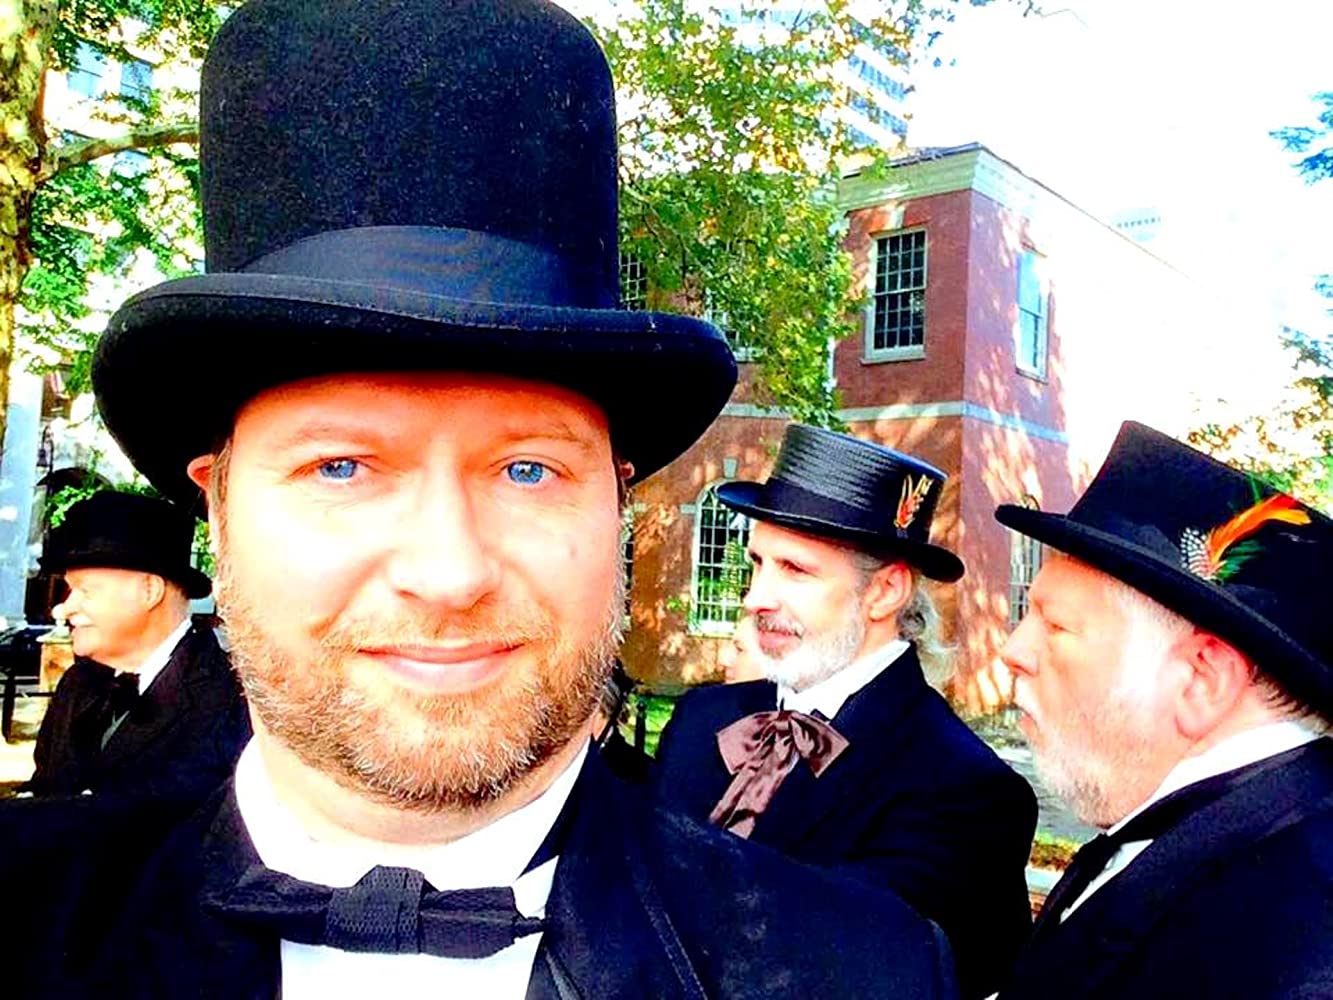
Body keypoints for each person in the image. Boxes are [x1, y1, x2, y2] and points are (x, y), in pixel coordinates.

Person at [0, 2, 959, 997]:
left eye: (526, 470)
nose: (449, 574)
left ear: (617, 511)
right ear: (219, 511)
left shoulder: (865, 971)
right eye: (342, 468)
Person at [655, 423, 1038, 999]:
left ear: (884, 592)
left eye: (795, 570)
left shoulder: (966, 790)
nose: (756, 597)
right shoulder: (700, 719)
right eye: (757, 562)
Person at [994, 421, 1333, 999]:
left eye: (1056, 625)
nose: (1013, 650)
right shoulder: (1221, 832)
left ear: (1201, 679)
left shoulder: (1296, 940)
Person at [24, 490, 248, 800]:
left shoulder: (234, 702)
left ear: (149, 591)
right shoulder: (77, 683)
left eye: (85, 591)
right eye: (69, 589)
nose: (62, 609)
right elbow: (42, 791)